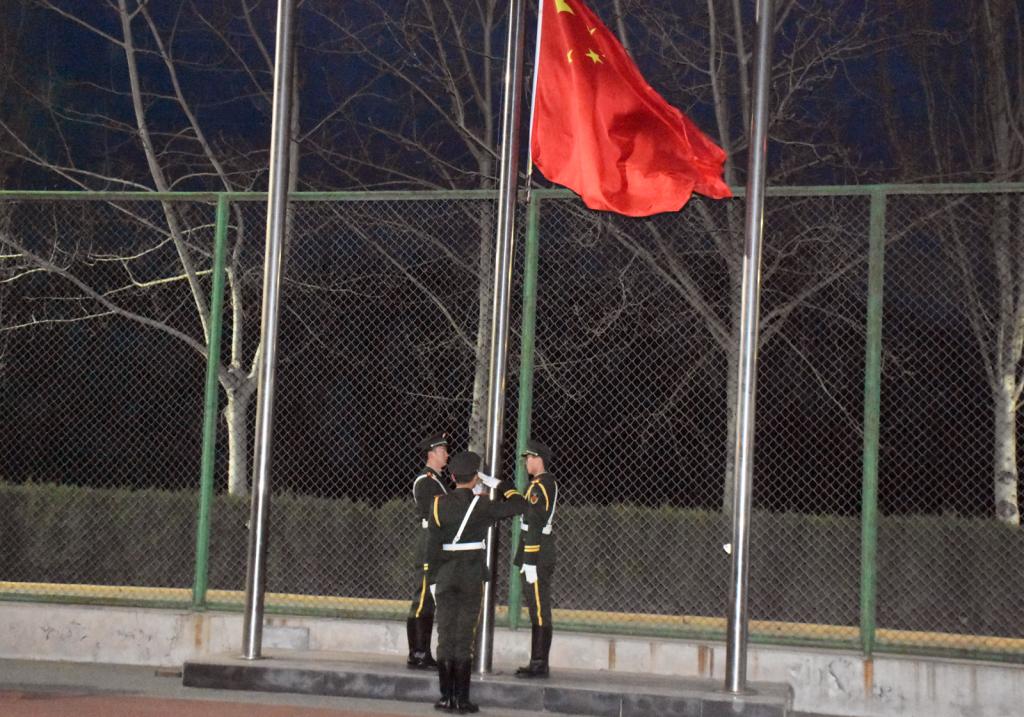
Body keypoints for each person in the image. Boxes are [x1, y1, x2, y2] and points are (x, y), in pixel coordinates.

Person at [427, 451, 526, 713]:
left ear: (452, 477)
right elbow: (520, 505)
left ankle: (446, 698)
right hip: (470, 576)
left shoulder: (438, 504)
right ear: (475, 478)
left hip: (445, 575)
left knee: (445, 635)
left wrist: (432, 580)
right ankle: (462, 700)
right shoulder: (482, 506)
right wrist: (499, 484)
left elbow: (432, 546)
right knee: (464, 637)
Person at [512, 439, 558, 678]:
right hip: (538, 552)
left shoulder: (540, 487)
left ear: (539, 459)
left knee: (539, 609)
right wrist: (502, 486)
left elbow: (535, 524)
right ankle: (538, 661)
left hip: (537, 553)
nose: (526, 462)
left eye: (529, 458)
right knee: (537, 607)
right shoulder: (540, 484)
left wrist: (529, 561)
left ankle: (539, 663)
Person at [407, 432, 451, 670]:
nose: (447, 454)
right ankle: (418, 652)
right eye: (442, 450)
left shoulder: (437, 481)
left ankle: (423, 651)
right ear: (431, 454)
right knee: (423, 598)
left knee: (429, 600)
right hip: (429, 541)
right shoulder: (426, 482)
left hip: (437, 541)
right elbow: (436, 513)